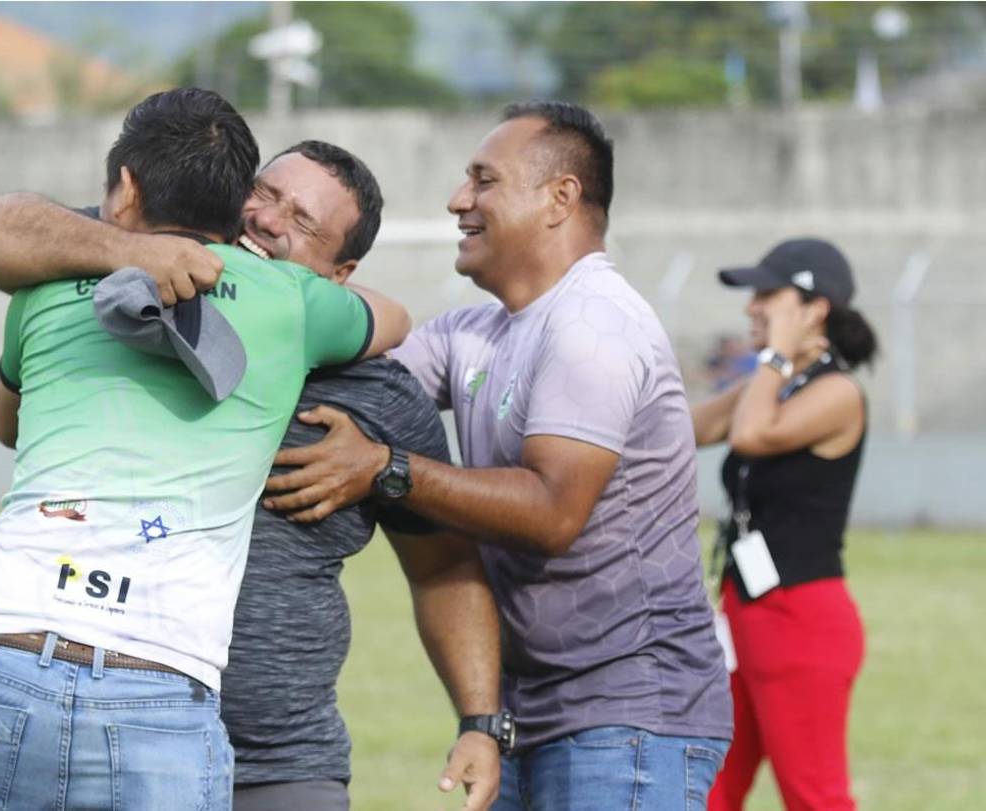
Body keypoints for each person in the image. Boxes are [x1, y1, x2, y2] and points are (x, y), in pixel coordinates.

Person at [0, 89, 410, 811]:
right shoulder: (295, 302)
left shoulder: (38, 285)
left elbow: (7, 422)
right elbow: (394, 317)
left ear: (126, 188)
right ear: (235, 204)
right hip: (160, 685)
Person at [261, 101, 733, 809]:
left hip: (631, 717)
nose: (459, 200)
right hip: (529, 713)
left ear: (560, 198)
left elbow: (552, 511)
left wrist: (386, 468)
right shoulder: (478, 332)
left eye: (483, 180)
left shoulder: (594, 325)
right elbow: (356, 372)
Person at [693, 238, 876, 811]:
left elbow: (753, 436)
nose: (752, 306)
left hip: (802, 623)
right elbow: (688, 430)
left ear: (814, 308)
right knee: (711, 791)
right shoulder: (776, 386)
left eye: (767, 294)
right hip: (746, 616)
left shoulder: (839, 393)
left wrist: (772, 358)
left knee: (815, 797)